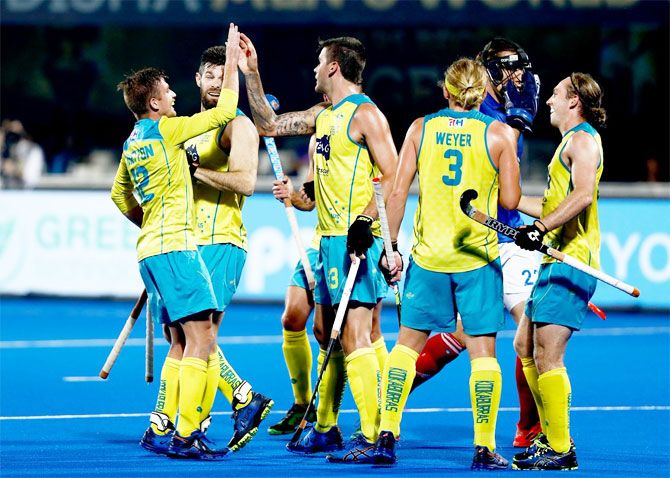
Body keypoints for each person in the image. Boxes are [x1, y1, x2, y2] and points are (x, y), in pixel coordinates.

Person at [238, 34, 397, 460]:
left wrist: (374, 228)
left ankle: (374, 434)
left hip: (355, 241)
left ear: (334, 67)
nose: (312, 69)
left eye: (318, 61)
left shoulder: (366, 115)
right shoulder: (323, 117)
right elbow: (268, 124)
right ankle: (326, 426)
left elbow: (396, 178)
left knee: (357, 334)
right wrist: (251, 73)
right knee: (327, 334)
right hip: (327, 241)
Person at [372, 57, 520, 469]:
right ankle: (484, 447)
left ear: (446, 90)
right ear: (482, 93)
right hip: (477, 260)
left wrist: (390, 248)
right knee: (483, 354)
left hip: (429, 257)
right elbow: (509, 202)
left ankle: (386, 435)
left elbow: (397, 192)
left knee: (405, 347)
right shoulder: (499, 134)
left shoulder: (421, 128)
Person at [111, 23, 240, 460]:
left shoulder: (132, 142)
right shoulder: (166, 130)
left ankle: (175, 428)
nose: (174, 97)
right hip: (176, 247)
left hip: (149, 250)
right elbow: (225, 112)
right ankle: (187, 435)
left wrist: (149, 224)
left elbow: (118, 195)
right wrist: (235, 64)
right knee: (203, 339)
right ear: (153, 102)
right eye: (168, 92)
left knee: (185, 340)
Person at [139, 45, 273, 456]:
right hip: (179, 243)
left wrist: (193, 169)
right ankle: (170, 422)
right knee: (176, 336)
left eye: (224, 75)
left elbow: (247, 182)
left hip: (220, 240)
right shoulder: (181, 126)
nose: (217, 82)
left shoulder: (238, 126)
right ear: (198, 80)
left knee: (198, 336)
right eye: (210, 75)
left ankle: (212, 410)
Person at [411, 37, 543, 448]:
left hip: (509, 234)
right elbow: (503, 190)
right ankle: (384, 401)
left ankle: (527, 431)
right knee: (466, 339)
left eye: (520, 69)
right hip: (477, 240)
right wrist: (518, 123)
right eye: (506, 69)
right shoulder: (479, 115)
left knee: (530, 334)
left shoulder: (507, 110)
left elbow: (514, 196)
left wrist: (555, 216)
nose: (516, 78)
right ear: (484, 73)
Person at [511, 72, 606, 471]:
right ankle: (551, 437)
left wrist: (541, 228)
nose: (547, 100)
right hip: (555, 259)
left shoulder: (583, 140)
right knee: (524, 346)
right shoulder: (568, 143)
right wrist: (513, 203)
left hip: (572, 261)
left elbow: (582, 196)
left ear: (574, 102)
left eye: (554, 94)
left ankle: (560, 448)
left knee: (549, 355)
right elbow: (554, 203)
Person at [268, 135, 387, 439]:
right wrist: (291, 194)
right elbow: (309, 199)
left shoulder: (362, 124)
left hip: (356, 239)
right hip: (322, 241)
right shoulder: (318, 136)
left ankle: (382, 416)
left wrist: (389, 242)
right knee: (313, 327)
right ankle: (313, 413)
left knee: (366, 330)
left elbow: (389, 181)